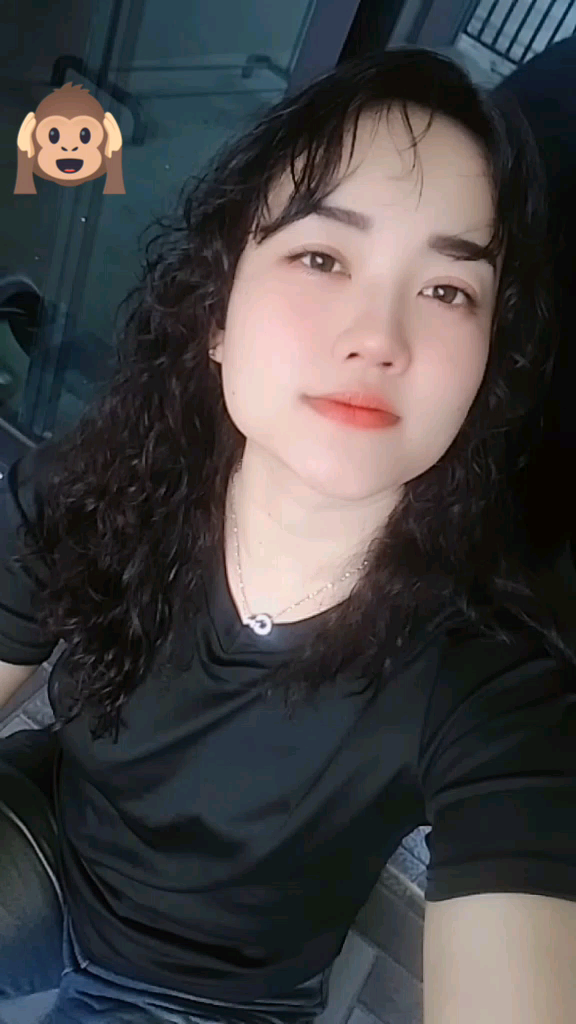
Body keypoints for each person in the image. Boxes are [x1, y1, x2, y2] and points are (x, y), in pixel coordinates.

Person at [0, 47, 575, 1024]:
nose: (377, 335)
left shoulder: (492, 676)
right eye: (323, 257)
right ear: (217, 315)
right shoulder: (103, 486)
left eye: (448, 290)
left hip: (212, 999)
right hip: (50, 845)